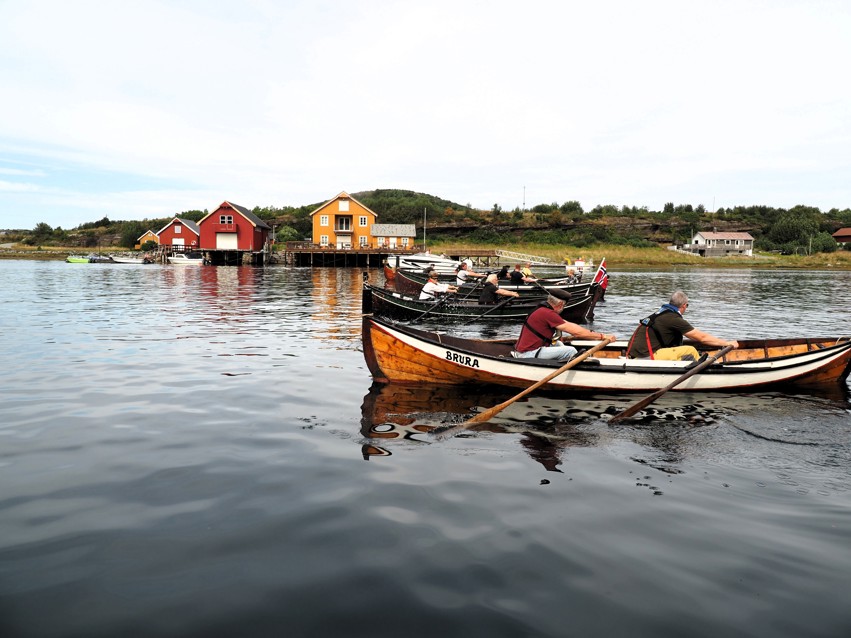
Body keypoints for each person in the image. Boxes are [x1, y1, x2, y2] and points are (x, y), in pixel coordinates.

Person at [626, 290, 738, 361]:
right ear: (684, 305)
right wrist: (727, 343)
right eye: (687, 306)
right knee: (690, 350)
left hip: (634, 354)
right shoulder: (673, 319)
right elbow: (702, 338)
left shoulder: (661, 312)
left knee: (685, 351)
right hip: (645, 357)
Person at [513, 290, 617, 361]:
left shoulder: (542, 310)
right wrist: (602, 336)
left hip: (526, 351)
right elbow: (576, 332)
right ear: (560, 305)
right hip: (527, 354)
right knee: (570, 350)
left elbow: (568, 324)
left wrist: (592, 334)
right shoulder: (548, 314)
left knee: (558, 343)